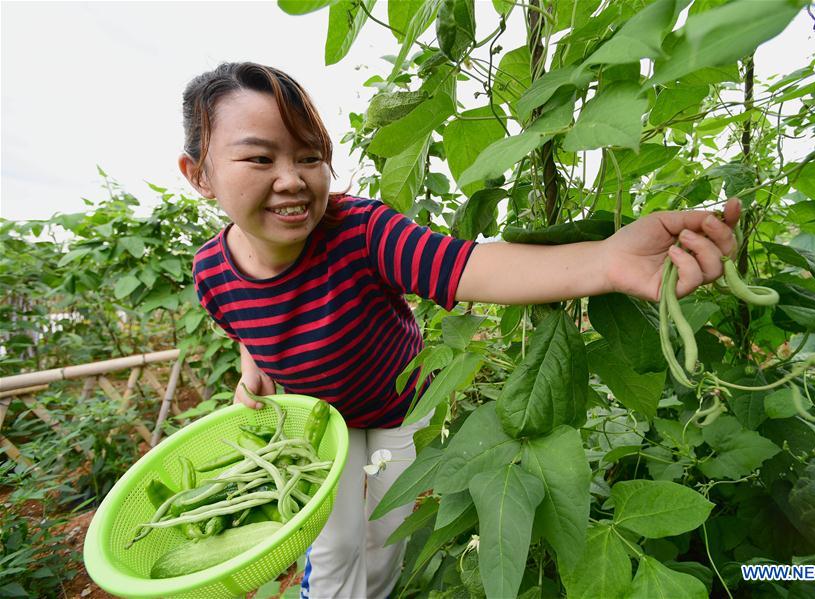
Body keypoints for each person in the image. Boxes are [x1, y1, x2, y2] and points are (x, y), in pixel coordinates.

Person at [179, 62, 739, 599]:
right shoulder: (211, 272)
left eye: (309, 156)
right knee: (334, 543)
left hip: (404, 411)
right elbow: (245, 326)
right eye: (258, 158)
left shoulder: (362, 232)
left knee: (381, 536)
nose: (292, 180)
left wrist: (606, 262)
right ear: (199, 174)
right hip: (323, 427)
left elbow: (470, 267)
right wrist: (254, 371)